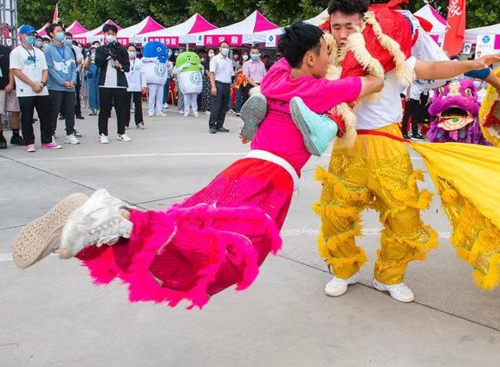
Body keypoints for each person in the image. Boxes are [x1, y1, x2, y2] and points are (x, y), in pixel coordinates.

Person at [11, 22, 384, 310]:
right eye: (326, 52)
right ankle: (111, 218)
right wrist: (366, 52)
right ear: (310, 60)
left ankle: (106, 224)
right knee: (234, 258)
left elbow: (292, 58)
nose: (331, 58)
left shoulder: (275, 78)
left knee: (186, 223)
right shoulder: (318, 91)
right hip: (272, 180)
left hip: (242, 169)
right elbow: (373, 82)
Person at [313, 0, 500, 302]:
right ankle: (343, 270)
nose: (341, 34)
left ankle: (389, 276)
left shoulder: (388, 54)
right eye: (336, 27)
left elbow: (431, 67)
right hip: (347, 144)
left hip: (387, 143)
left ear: (364, 24)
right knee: (335, 215)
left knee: (404, 215)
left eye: (349, 26)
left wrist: (472, 65)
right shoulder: (326, 61)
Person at [7, 25, 55, 152]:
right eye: (29, 35)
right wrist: (32, 84)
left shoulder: (39, 52)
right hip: (26, 90)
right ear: (21, 36)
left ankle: (47, 140)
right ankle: (29, 142)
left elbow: (45, 69)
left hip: (42, 89)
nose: (32, 37)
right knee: (27, 117)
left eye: (33, 35)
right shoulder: (16, 52)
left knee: (46, 116)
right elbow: (16, 71)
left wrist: (42, 83)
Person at [95, 24, 131, 144]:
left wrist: (119, 65)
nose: (111, 36)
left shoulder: (121, 49)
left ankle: (121, 132)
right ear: (104, 35)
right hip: (105, 84)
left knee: (121, 109)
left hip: (120, 84)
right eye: (108, 33)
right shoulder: (100, 49)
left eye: (113, 34)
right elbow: (98, 63)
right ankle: (103, 134)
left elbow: (127, 67)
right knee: (105, 110)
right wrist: (108, 55)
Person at [44, 23, 79, 145]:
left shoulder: (68, 49)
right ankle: (51, 134)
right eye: (58, 31)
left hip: (70, 86)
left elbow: (74, 66)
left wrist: (73, 80)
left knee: (70, 111)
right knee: (54, 112)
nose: (61, 33)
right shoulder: (48, 49)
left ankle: (69, 133)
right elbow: (50, 69)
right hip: (56, 87)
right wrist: (62, 82)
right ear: (51, 34)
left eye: (62, 31)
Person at [0, 41, 23, 149]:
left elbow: (12, 69)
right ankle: (1, 138)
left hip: (10, 87)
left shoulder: (7, 50)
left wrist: (10, 83)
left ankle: (16, 136)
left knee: (15, 111)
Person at [208, 40, 233, 134]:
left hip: (226, 85)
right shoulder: (215, 59)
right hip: (218, 84)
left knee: (224, 106)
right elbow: (212, 73)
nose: (225, 48)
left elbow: (230, 75)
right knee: (216, 106)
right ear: (219, 48)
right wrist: (213, 86)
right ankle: (212, 125)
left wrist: (230, 87)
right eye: (223, 46)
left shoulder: (229, 61)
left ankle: (220, 125)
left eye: (227, 47)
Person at [125, 44, 146, 130]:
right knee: (126, 105)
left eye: (134, 51)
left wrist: (144, 85)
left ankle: (139, 121)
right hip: (126, 86)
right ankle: (125, 123)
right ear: (127, 51)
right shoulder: (124, 61)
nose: (132, 52)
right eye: (130, 51)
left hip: (137, 86)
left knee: (138, 105)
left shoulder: (139, 62)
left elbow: (143, 74)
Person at [66, 34, 84, 121]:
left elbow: (80, 60)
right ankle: (63, 113)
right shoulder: (61, 48)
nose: (68, 40)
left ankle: (78, 112)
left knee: (76, 94)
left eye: (70, 38)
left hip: (75, 72)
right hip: (64, 73)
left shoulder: (75, 49)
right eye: (67, 38)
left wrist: (71, 62)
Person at [84, 42, 100, 115]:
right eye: (92, 49)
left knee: (98, 92)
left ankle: (99, 108)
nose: (93, 51)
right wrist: (89, 61)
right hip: (91, 76)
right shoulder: (88, 58)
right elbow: (86, 67)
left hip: (98, 75)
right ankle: (91, 108)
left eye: (95, 49)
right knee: (91, 92)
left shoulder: (100, 58)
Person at [199, 49, 213, 114]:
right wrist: (211, 77)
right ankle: (206, 108)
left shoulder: (214, 61)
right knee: (206, 94)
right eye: (210, 52)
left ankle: (211, 108)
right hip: (207, 79)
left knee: (211, 94)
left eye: (213, 52)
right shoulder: (206, 61)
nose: (212, 53)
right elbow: (206, 71)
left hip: (213, 79)